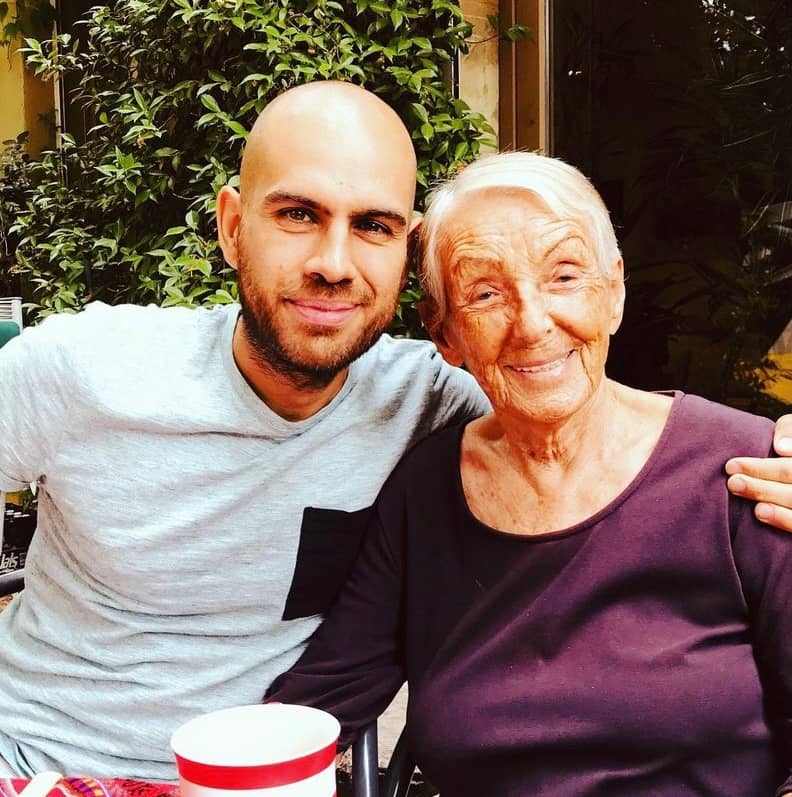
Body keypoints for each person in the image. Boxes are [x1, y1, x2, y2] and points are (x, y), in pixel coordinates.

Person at [0, 81, 790, 780]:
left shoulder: (445, 408)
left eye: (373, 225)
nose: (334, 263)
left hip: (261, 779)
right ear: (232, 225)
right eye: (299, 215)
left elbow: (594, 420)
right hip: (37, 760)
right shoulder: (83, 371)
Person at [267, 151, 792, 796]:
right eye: (485, 293)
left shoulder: (748, 473)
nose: (534, 324)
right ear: (447, 336)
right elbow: (316, 708)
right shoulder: (425, 492)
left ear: (615, 291)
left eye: (565, 276)